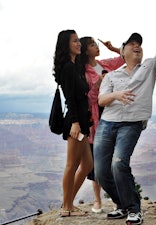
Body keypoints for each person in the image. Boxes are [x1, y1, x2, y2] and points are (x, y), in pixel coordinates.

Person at [93, 2, 156, 224]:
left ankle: (134, 208)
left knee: (118, 163)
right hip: (107, 123)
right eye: (132, 44)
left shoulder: (149, 68)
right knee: (100, 171)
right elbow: (101, 100)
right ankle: (121, 205)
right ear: (123, 51)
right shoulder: (113, 76)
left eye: (140, 45)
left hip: (131, 124)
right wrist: (117, 95)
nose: (137, 46)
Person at [79, 36, 124, 213]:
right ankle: (97, 200)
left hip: (111, 115)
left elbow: (124, 58)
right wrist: (98, 83)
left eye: (95, 44)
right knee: (96, 162)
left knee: (112, 160)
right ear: (85, 50)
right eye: (92, 44)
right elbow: (87, 99)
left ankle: (116, 198)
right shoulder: (83, 71)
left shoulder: (104, 64)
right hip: (95, 121)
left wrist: (112, 47)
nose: (96, 47)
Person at [52, 29, 93, 217]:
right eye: (75, 41)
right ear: (66, 44)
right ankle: (67, 207)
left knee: (87, 165)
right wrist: (75, 123)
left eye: (79, 41)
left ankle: (67, 202)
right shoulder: (68, 68)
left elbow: (82, 95)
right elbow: (70, 98)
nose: (79, 44)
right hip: (75, 122)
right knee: (72, 165)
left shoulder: (75, 66)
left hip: (83, 121)